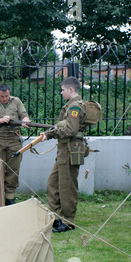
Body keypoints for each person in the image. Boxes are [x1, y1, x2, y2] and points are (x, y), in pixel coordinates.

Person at [41, 76, 87, 232]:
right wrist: (50, 133)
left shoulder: (75, 107)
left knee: (67, 187)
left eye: (63, 90)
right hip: (64, 149)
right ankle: (57, 216)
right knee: (52, 184)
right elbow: (64, 128)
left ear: (71, 89)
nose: (61, 93)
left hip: (70, 150)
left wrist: (53, 132)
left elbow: (70, 130)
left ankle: (68, 222)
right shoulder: (70, 106)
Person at [0, 83, 31, 206]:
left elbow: (24, 115)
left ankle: (10, 198)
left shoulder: (17, 101)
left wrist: (25, 121)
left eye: (7, 96)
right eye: (2, 96)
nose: (5, 99)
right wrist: (1, 120)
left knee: (13, 169)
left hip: (14, 139)